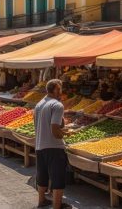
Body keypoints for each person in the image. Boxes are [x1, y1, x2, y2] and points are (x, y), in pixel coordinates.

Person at [34, 79, 72, 209]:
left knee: (42, 175)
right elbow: (55, 131)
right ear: (56, 89)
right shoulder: (57, 105)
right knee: (58, 178)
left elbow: (41, 126)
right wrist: (66, 134)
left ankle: (42, 201)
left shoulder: (39, 104)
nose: (61, 92)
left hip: (39, 145)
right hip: (54, 147)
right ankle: (57, 206)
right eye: (60, 89)